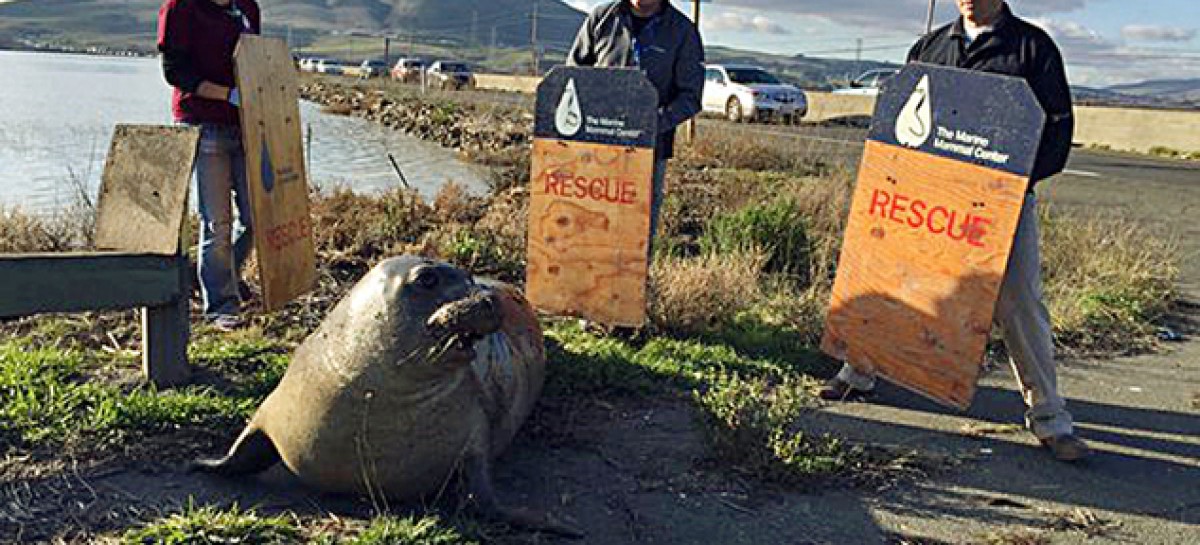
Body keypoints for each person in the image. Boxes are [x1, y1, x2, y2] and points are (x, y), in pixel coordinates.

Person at [820, 0, 1089, 462]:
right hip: (928, 199)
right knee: (896, 278)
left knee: (1018, 299)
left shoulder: (1032, 48)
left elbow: (1057, 133)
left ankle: (1050, 418)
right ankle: (859, 372)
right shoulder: (929, 46)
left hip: (1001, 204)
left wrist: (1010, 185)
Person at [157, 0, 260, 331]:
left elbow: (254, 59)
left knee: (257, 216)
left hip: (245, 124)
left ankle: (217, 275)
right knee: (217, 221)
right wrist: (227, 95)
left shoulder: (248, 7)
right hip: (202, 125)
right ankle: (220, 306)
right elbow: (175, 71)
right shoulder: (180, 8)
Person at [566, 0, 705, 240]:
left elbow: (690, 98)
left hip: (648, 153)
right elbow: (573, 76)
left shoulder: (682, 31)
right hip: (595, 149)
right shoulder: (602, 18)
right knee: (587, 229)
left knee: (635, 236)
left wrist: (649, 126)